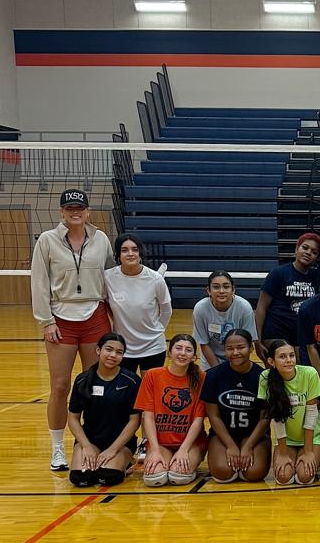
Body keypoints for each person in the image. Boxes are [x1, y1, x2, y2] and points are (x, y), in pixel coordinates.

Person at [31, 188, 115, 471]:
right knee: (60, 386)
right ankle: (57, 448)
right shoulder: (47, 240)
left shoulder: (101, 239)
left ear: (87, 212)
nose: (75, 212)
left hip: (95, 315)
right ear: (61, 212)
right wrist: (46, 321)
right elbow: (39, 283)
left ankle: (93, 442)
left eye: (79, 208)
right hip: (61, 317)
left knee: (95, 385)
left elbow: (112, 278)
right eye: (69, 208)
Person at [66, 332, 141, 487]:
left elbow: (135, 420)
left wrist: (113, 449)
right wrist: (86, 446)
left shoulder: (131, 381)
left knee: (107, 477)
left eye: (119, 352)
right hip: (90, 440)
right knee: (81, 479)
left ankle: (125, 463)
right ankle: (95, 458)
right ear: (98, 350)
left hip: (120, 443)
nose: (113, 355)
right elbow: (73, 418)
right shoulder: (82, 380)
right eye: (109, 349)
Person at [136, 334, 208, 486]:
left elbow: (198, 420)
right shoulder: (152, 375)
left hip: (191, 443)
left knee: (178, 476)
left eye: (188, 350)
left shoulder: (202, 378)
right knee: (154, 478)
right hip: (161, 443)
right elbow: (148, 417)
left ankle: (189, 463)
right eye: (178, 348)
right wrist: (155, 450)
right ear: (169, 352)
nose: (182, 353)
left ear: (194, 357)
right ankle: (165, 459)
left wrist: (183, 450)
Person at [201, 329, 267, 483]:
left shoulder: (263, 377)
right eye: (229, 348)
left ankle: (248, 449)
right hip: (223, 434)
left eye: (241, 347)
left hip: (253, 434)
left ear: (251, 348)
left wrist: (248, 446)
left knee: (254, 473)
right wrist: (230, 445)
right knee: (222, 472)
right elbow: (213, 416)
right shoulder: (213, 375)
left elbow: (265, 418)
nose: (235, 352)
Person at [257, 337, 320, 485]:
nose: (289, 360)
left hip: (311, 436)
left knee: (305, 477)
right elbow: (277, 417)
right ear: (271, 361)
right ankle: (291, 455)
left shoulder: (309, 373)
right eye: (282, 357)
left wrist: (308, 452)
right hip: (286, 438)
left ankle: (317, 452)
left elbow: (312, 414)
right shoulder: (265, 378)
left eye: (291, 355)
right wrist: (282, 453)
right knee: (283, 477)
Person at [104, 233, 172, 376]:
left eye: (135, 249)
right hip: (122, 347)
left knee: (149, 388)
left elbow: (166, 310)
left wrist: (158, 329)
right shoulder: (108, 277)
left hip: (153, 347)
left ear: (140, 253)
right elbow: (105, 305)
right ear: (118, 255)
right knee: (126, 388)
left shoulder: (155, 279)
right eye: (124, 250)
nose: (130, 254)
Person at [254, 232, 320, 356]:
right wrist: (257, 341)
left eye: (314, 252)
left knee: (302, 366)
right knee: (283, 360)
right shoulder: (278, 273)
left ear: (317, 258)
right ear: (296, 249)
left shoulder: (318, 278)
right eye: (305, 247)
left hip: (302, 334)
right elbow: (261, 307)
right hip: (276, 331)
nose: (308, 253)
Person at [191, 271, 257, 369]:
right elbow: (204, 344)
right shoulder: (200, 308)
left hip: (237, 358)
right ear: (209, 290)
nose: (221, 291)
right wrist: (218, 371)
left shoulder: (244, 307)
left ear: (233, 290)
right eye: (216, 287)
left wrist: (237, 367)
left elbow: (247, 344)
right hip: (211, 361)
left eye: (226, 287)